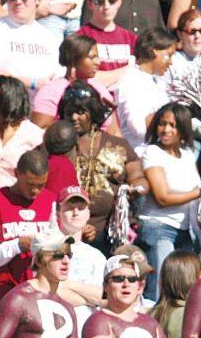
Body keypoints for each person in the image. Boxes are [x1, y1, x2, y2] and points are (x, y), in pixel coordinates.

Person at [58, 83, 145, 247]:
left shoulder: (119, 145)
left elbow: (138, 178)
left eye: (81, 112)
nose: (74, 117)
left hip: (110, 231)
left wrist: (136, 188)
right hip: (67, 230)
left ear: (93, 113)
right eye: (69, 113)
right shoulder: (58, 145)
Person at [139, 102, 201, 300]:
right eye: (162, 124)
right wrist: (198, 193)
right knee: (159, 289)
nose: (166, 130)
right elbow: (162, 197)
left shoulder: (188, 154)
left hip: (184, 230)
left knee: (184, 288)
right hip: (158, 228)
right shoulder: (152, 153)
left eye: (172, 125)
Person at [0, 147, 58, 297]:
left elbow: (58, 243)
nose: (35, 191)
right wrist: (17, 245)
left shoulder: (50, 200)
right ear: (16, 174)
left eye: (41, 185)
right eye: (30, 184)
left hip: (40, 293)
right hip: (3, 292)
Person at [30, 36, 116, 131]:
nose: (98, 62)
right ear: (74, 59)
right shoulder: (51, 91)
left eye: (97, 57)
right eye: (91, 57)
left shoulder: (99, 88)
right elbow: (39, 133)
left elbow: (113, 131)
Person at [115, 27, 178, 155]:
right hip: (138, 154)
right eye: (169, 55)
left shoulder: (157, 81)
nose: (171, 62)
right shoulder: (130, 81)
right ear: (155, 51)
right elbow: (139, 129)